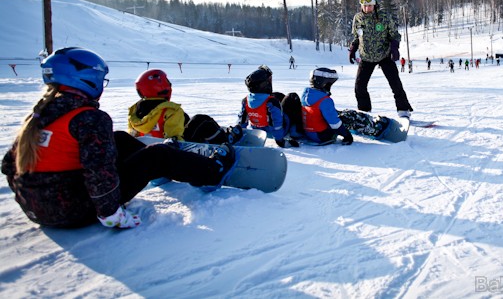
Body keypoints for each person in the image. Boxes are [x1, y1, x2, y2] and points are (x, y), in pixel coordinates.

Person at [1, 47, 235, 229]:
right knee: (158, 155)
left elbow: (8, 166)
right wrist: (111, 214)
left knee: (119, 138)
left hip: (41, 212)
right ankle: (212, 169)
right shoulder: (89, 118)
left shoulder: (39, 115)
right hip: (79, 210)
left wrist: (36, 203)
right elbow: (98, 171)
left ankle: (177, 163)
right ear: (86, 80)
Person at [128, 69, 240, 145]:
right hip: (173, 150)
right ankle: (227, 141)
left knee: (187, 119)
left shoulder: (134, 111)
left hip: (149, 148)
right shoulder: (170, 110)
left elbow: (133, 135)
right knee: (202, 120)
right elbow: (175, 137)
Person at [349, 0, 413, 118]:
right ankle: (364, 112)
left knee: (395, 83)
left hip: (384, 55)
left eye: (370, 5)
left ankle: (403, 110)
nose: (367, 8)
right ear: (361, 5)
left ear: (374, 4)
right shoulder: (358, 18)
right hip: (366, 57)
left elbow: (395, 34)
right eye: (365, 6)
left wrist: (394, 48)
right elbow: (357, 36)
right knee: (359, 86)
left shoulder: (383, 16)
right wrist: (352, 49)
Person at [237, 65, 300, 147]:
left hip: (259, 133)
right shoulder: (271, 102)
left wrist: (239, 135)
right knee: (292, 97)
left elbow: (242, 122)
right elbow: (277, 124)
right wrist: (281, 141)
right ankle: (296, 132)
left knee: (277, 95)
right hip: (275, 133)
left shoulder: (245, 100)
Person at [298, 68, 354, 144]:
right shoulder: (325, 100)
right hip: (322, 136)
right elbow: (335, 124)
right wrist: (347, 135)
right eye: (329, 84)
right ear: (323, 83)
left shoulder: (305, 95)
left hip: (308, 133)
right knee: (345, 118)